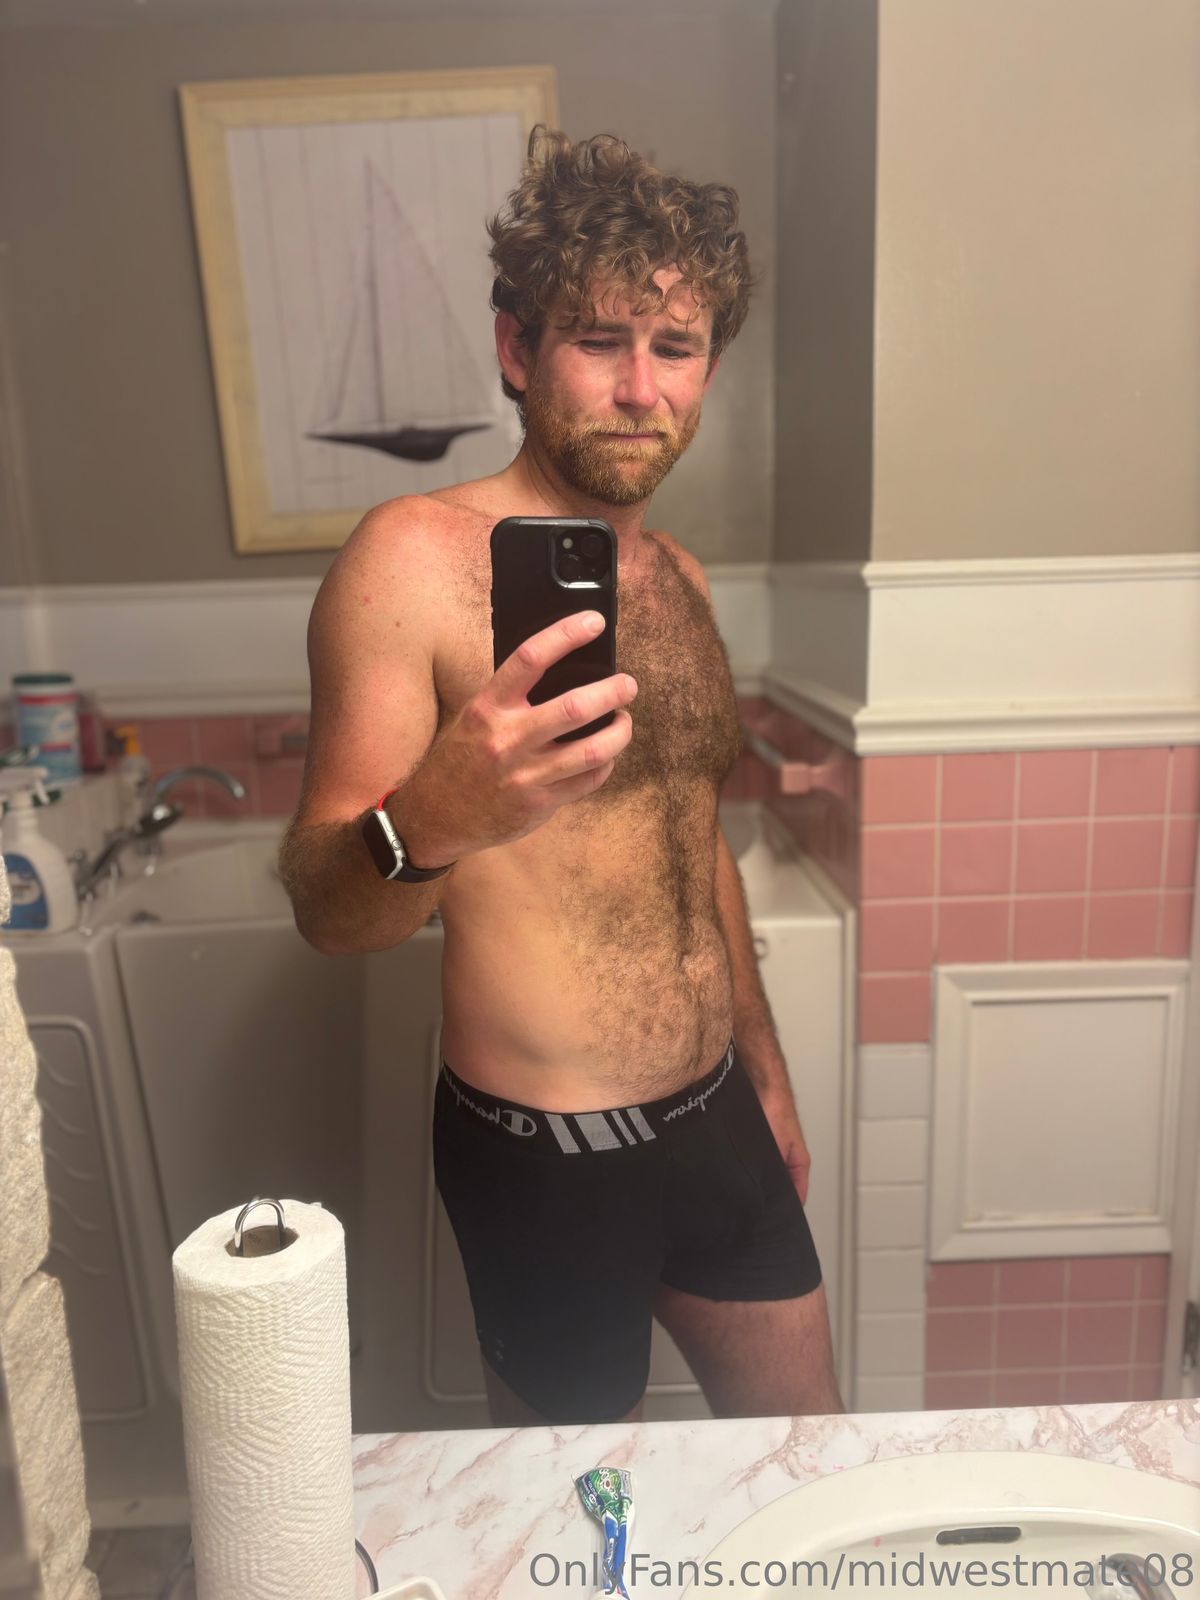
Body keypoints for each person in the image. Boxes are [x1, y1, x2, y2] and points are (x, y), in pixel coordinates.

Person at [280, 126, 844, 1426]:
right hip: (545, 1162)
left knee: (809, 1453)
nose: (641, 389)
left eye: (675, 347)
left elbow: (696, 843)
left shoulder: (680, 581)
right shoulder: (409, 559)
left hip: (719, 1120)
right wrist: (438, 814)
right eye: (600, 340)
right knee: (580, 1511)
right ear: (517, 348)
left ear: (707, 370)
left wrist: (764, 1065)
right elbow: (329, 912)